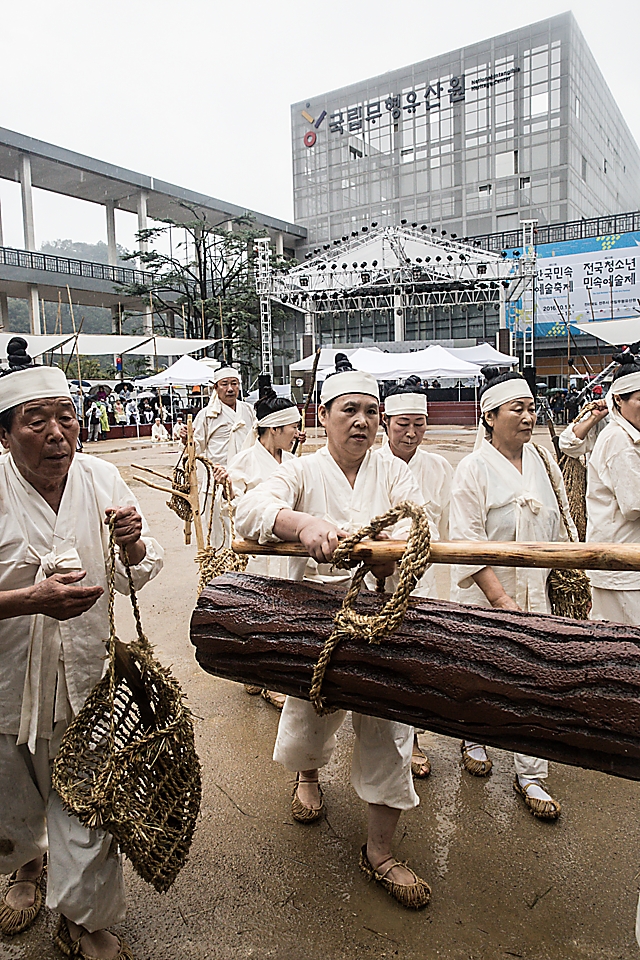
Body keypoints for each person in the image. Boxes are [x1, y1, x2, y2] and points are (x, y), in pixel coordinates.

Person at [236, 355, 432, 910]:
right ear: (323, 416)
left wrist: (387, 558)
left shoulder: (393, 470)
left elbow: (419, 521)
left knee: (390, 729)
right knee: (309, 708)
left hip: (379, 612)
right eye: (350, 410)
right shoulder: (300, 471)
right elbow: (250, 508)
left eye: (372, 412)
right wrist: (304, 525)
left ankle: (381, 851)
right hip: (316, 614)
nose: (363, 422)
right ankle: (307, 777)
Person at [0, 337, 163, 958]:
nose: (56, 433)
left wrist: (136, 545)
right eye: (34, 421)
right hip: (9, 680)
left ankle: (84, 919)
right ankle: (24, 867)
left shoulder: (103, 478)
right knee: (14, 792)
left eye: (65, 416)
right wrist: (28, 601)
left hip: (90, 681)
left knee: (88, 800)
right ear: (6, 435)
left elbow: (132, 577)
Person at [449, 365, 576, 821]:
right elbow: (467, 540)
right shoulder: (472, 468)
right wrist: (501, 599)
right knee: (482, 674)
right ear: (489, 416)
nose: (528, 416)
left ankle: (530, 773)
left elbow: (559, 526)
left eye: (531, 408)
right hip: (487, 596)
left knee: (533, 680)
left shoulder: (542, 461)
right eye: (516, 409)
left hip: (535, 593)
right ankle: (475, 737)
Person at [380, 375, 453, 779]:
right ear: (386, 424)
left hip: (422, 582)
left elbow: (449, 526)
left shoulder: (440, 468)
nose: (411, 433)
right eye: (402, 423)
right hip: (378, 581)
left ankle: (414, 739)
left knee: (417, 659)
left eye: (419, 424)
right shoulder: (372, 465)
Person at [228, 387, 303, 710]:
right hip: (259, 551)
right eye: (292, 427)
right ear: (274, 429)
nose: (297, 433)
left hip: (289, 551)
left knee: (285, 615)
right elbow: (234, 509)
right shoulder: (243, 462)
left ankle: (273, 676)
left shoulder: (294, 462)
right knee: (258, 611)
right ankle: (254, 670)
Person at [184, 366, 255, 466]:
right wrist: (186, 440)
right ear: (216, 388)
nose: (230, 389)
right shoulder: (206, 415)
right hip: (218, 473)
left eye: (234, 384)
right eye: (224, 384)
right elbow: (196, 448)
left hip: (247, 471)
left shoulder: (250, 410)